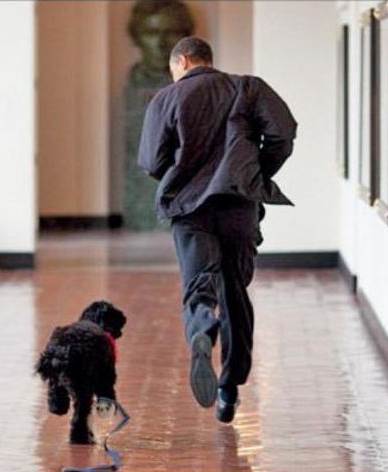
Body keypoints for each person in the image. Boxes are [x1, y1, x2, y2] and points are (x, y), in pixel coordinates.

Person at [137, 37, 297, 423]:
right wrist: (252, 171)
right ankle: (229, 389)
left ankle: (201, 328)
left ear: (184, 61)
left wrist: (181, 173)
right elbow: (283, 134)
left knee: (199, 286)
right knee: (234, 291)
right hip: (238, 205)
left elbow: (151, 160)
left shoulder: (166, 98)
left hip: (191, 208)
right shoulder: (247, 87)